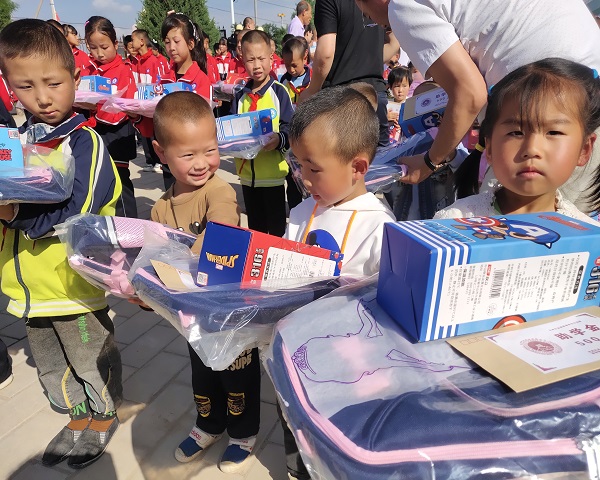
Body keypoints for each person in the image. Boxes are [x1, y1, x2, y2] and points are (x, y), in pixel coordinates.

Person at [0, 19, 123, 468]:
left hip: (72, 285)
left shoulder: (85, 143)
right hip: (29, 289)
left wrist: (14, 215)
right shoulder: (14, 143)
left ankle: (103, 414)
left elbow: (79, 208)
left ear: (75, 77)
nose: (42, 98)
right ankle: (76, 415)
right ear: (9, 88)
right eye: (25, 86)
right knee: (51, 362)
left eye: (53, 83)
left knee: (89, 356)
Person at [357, 0, 600, 213]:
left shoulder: (403, 5)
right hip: (584, 93)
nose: (376, 22)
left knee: (508, 225)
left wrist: (430, 161)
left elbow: (470, 95)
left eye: (367, 15)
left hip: (557, 104)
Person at [282, 85, 395, 479]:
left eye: (313, 169)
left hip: (348, 367)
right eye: (298, 165)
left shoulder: (378, 226)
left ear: (357, 168)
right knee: (295, 428)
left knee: (336, 442)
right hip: (294, 352)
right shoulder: (302, 211)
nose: (303, 177)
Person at [149, 91, 261, 473]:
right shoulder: (160, 207)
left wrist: (180, 266)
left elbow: (222, 229)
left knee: (238, 377)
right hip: (193, 316)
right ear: (161, 152)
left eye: (210, 150)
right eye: (188, 154)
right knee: (203, 375)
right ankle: (208, 425)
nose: (202, 163)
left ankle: (243, 434)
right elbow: (155, 255)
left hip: (230, 315)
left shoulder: (219, 190)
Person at [436, 58, 598, 225]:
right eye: (516, 133)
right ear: (489, 148)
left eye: (553, 132)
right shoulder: (454, 222)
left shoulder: (589, 233)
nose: (532, 149)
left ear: (584, 149)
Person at [303, 0, 399, 147]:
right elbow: (394, 42)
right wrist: (371, 61)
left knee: (342, 158)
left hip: (342, 99)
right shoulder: (378, 3)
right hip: (376, 95)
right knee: (380, 159)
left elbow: (325, 54)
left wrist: (312, 90)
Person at [231, 30, 293, 236]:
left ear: (271, 59)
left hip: (273, 176)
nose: (256, 65)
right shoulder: (239, 96)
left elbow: (290, 128)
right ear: (243, 61)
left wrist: (279, 139)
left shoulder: (279, 92)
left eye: (261, 58)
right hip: (247, 177)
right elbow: (231, 127)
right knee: (255, 230)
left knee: (276, 231)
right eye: (251, 60)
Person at [83, 16, 138, 218]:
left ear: (116, 44)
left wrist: (94, 108)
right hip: (95, 133)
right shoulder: (89, 71)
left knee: (120, 182)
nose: (99, 53)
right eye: (93, 48)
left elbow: (124, 107)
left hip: (117, 135)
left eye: (104, 47)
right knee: (99, 181)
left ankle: (130, 226)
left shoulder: (123, 71)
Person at [131, 29, 165, 174]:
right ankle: (151, 161)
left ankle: (161, 161)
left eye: (133, 39)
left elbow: (159, 84)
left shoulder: (153, 61)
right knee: (145, 133)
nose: (131, 43)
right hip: (142, 105)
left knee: (156, 133)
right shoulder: (137, 62)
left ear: (142, 41)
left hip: (153, 105)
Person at [280, 37, 311, 105]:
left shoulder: (313, 80)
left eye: (294, 65)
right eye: (287, 65)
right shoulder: (284, 80)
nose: (291, 70)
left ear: (305, 58)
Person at [386, 66, 412, 143]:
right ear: (390, 87)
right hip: (388, 143)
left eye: (404, 86)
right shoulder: (386, 105)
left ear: (409, 86)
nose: (400, 90)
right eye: (397, 86)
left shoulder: (412, 105)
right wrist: (385, 118)